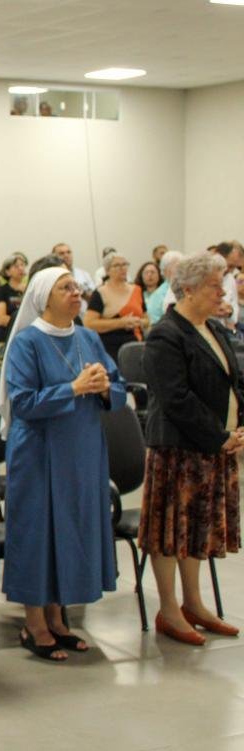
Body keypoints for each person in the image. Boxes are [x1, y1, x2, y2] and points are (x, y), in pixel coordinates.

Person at [0, 266, 125, 661]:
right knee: (39, 532)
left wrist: (105, 388)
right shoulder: (27, 343)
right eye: (65, 287)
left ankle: (57, 617)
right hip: (39, 452)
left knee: (69, 529)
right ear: (43, 298)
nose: (76, 292)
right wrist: (73, 388)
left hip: (83, 451)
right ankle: (34, 622)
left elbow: (119, 387)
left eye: (77, 286)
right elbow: (22, 403)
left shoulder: (87, 337)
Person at [139, 251, 243, 645]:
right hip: (178, 448)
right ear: (188, 289)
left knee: (195, 528)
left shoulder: (212, 328)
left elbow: (232, 382)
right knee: (170, 531)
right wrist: (218, 435)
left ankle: (194, 604)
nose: (222, 293)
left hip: (214, 444)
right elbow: (175, 398)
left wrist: (237, 426)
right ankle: (169, 609)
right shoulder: (166, 334)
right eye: (214, 286)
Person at [85, 252, 149, 362]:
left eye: (125, 264)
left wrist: (139, 322)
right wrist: (121, 323)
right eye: (117, 265)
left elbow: (147, 319)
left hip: (137, 345)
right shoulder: (100, 293)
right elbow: (89, 324)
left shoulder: (136, 289)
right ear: (107, 270)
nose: (122, 268)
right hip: (112, 349)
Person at [0, 253, 28, 381]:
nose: (21, 268)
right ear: (7, 271)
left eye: (23, 265)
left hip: (24, 339)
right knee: (2, 377)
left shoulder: (29, 290)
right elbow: (1, 319)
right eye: (16, 266)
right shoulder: (1, 291)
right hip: (5, 339)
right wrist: (24, 322)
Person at [51, 242, 96, 313]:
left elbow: (94, 298)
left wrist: (83, 292)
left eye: (68, 252)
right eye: (61, 253)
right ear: (53, 257)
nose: (66, 255)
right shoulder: (52, 277)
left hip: (85, 315)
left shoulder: (84, 274)